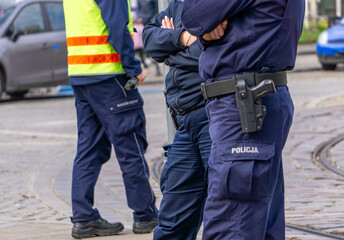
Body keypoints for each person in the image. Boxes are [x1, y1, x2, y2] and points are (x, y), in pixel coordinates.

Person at [181, 0, 305, 239]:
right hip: (257, 95)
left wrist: (202, 28)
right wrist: (206, 35)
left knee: (232, 223)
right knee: (259, 220)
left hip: (244, 102)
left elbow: (192, 15)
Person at [63, 0, 158, 238]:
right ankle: (145, 215)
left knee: (89, 147)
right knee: (130, 144)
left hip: (81, 74)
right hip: (109, 75)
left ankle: (83, 218)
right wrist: (133, 67)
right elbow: (116, 27)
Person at [142, 0, 212, 239]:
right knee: (172, 218)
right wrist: (182, 37)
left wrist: (170, 54)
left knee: (224, 210)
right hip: (184, 122)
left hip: (214, 116)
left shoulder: (222, 4)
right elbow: (150, 37)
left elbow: (210, 56)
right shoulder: (180, 3)